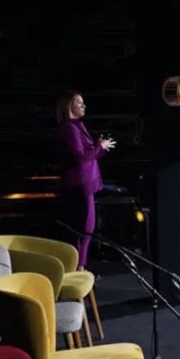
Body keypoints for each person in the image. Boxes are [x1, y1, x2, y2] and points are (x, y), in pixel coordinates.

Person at [56, 91, 115, 269]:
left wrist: (99, 146)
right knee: (84, 228)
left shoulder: (76, 126)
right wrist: (99, 147)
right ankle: (78, 266)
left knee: (87, 227)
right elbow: (81, 156)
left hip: (85, 182)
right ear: (69, 105)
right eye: (79, 103)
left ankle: (80, 265)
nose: (84, 106)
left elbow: (87, 153)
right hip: (80, 183)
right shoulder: (70, 128)